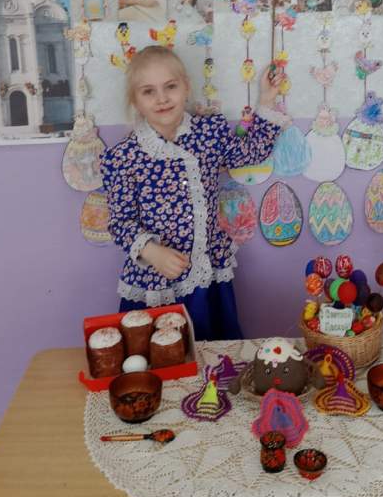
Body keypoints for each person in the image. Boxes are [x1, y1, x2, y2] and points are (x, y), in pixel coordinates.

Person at [101, 45, 287, 340]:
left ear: (186, 87)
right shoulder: (123, 156)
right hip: (157, 280)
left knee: (215, 352)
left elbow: (250, 153)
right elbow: (120, 222)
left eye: (170, 86)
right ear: (135, 100)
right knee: (163, 356)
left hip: (208, 274)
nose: (162, 98)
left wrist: (266, 99)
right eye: (148, 91)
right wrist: (151, 251)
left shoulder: (209, 132)